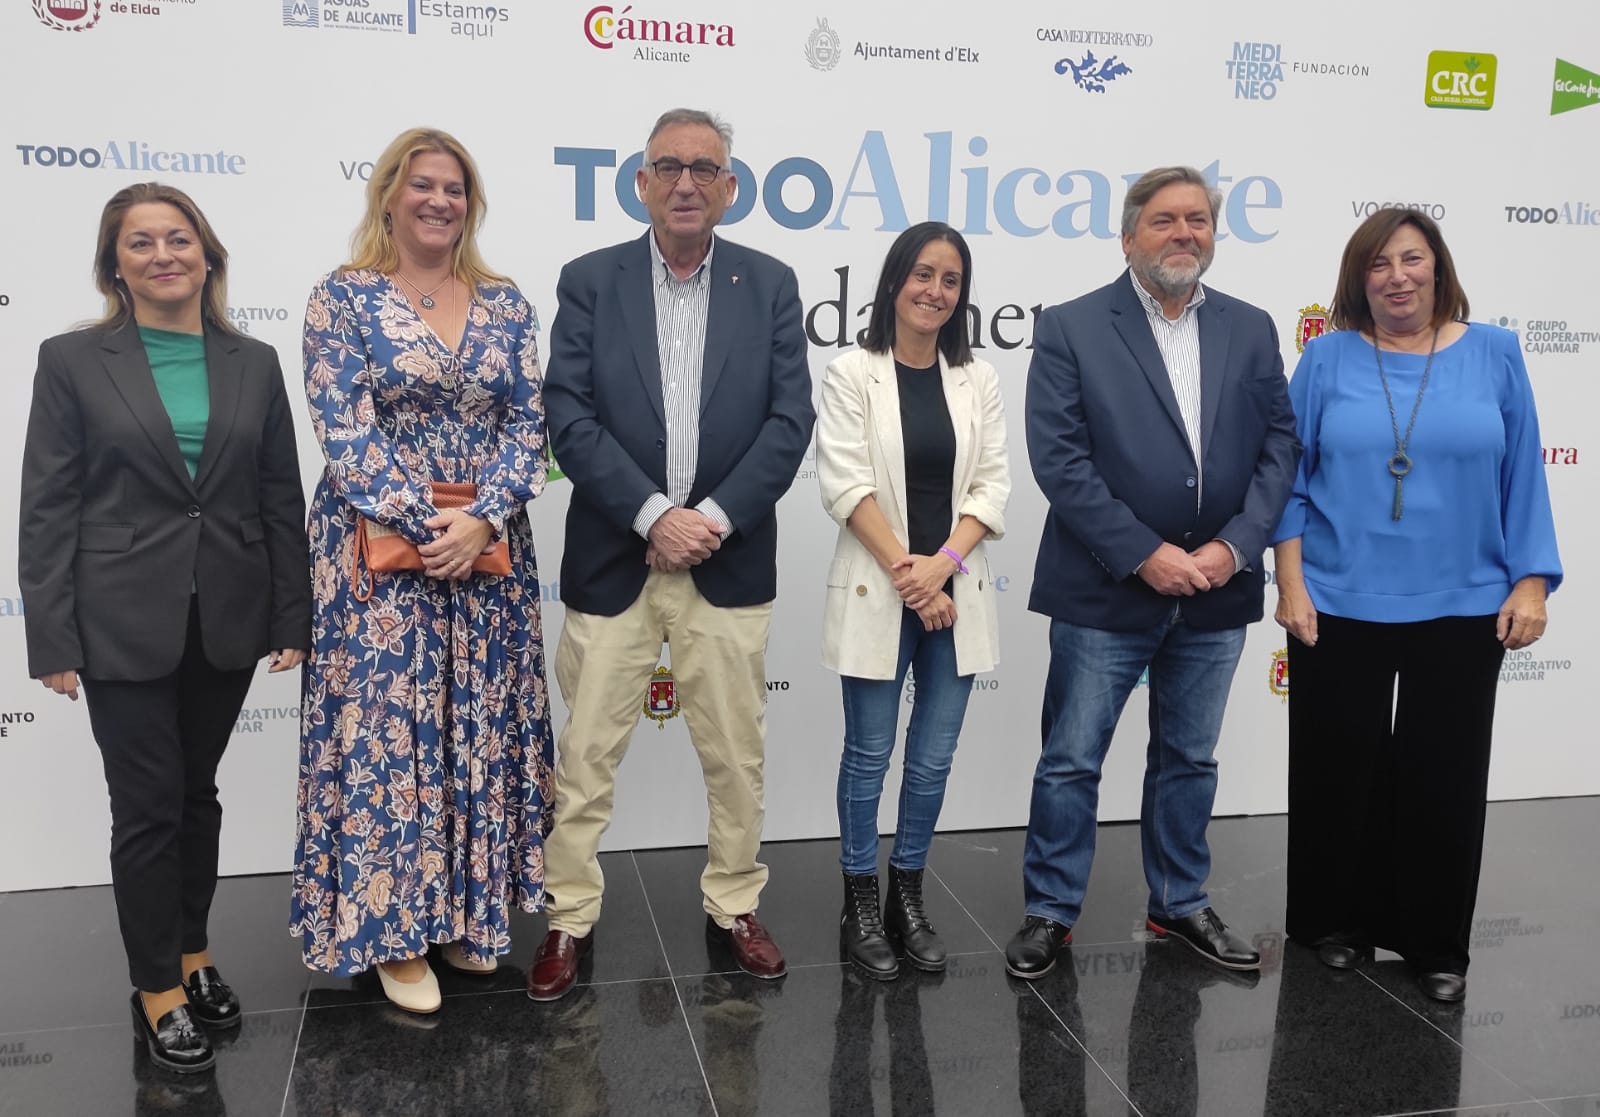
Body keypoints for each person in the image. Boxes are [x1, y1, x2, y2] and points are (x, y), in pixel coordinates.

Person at [19, 183, 311, 1073]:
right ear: (116, 263)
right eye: (139, 242)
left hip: (225, 615)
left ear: (208, 254)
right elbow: (47, 505)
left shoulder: (253, 361)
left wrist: (291, 612)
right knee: (146, 808)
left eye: (178, 238)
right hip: (119, 621)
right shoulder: (73, 360)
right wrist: (52, 638)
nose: (162, 255)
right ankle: (155, 987)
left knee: (196, 796)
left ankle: (193, 953)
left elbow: (278, 496)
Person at [530, 108, 814, 1001]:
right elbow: (567, 416)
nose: (687, 182)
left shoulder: (768, 283)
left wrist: (711, 519)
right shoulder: (591, 280)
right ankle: (568, 916)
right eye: (669, 167)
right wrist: (654, 514)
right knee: (584, 759)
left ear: (730, 187)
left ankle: (735, 903)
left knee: (736, 755)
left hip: (725, 565)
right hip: (617, 563)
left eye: (705, 168)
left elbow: (788, 422)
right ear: (642, 182)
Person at [1008, 165, 1300, 980]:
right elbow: (1060, 461)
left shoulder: (1250, 327)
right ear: (1129, 234)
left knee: (1190, 759)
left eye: (1199, 219)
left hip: (1218, 586)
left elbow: (1281, 448)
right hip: (1107, 586)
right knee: (1071, 758)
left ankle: (1178, 899)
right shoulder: (1072, 325)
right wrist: (1145, 553)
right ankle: (1050, 910)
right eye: (1166, 219)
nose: (1185, 233)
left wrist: (1234, 548)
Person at [290, 127, 556, 1014]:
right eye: (423, 185)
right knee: (389, 734)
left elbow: (531, 430)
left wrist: (478, 521)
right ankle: (391, 932)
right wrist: (426, 520)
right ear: (390, 197)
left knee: (471, 726)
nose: (440, 200)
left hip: (486, 555)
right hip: (375, 558)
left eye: (455, 188)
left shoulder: (508, 304)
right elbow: (345, 432)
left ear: (470, 204)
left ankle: (460, 916)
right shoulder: (343, 299)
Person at [1271, 209, 1560, 1003]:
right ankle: (1335, 922)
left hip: (1465, 602)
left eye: (1412, 259)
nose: (1397, 276)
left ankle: (1437, 942)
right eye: (1378, 264)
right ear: (1358, 278)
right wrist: (1290, 583)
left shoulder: (1497, 353)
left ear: (1439, 267)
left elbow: (1523, 474)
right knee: (1338, 768)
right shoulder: (1325, 359)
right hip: (1336, 597)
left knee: (1447, 774)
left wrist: (1531, 579)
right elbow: (1286, 480)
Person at [815, 222, 1010, 980]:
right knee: (868, 757)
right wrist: (911, 573)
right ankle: (859, 899)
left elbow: (993, 485)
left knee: (930, 763)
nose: (935, 290)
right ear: (895, 281)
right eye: (922, 274)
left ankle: (909, 894)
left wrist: (946, 565)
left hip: (953, 592)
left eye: (951, 279)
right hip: (882, 584)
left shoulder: (977, 378)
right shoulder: (850, 370)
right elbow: (845, 483)